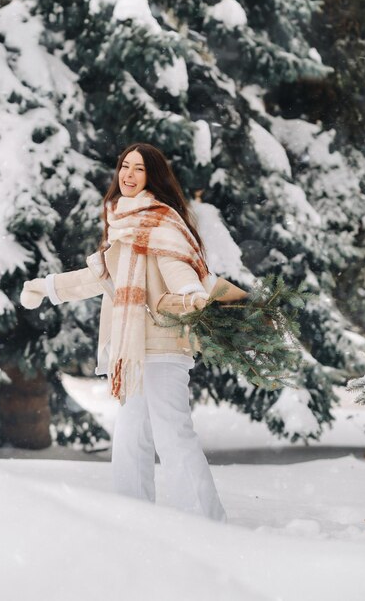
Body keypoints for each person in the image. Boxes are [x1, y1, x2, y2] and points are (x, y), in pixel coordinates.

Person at [20, 142, 230, 523]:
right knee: (131, 434)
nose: (128, 176)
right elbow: (98, 277)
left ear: (153, 177)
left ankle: (205, 521)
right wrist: (46, 287)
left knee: (173, 431)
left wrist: (191, 294)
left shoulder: (161, 221)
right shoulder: (124, 224)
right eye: (125, 167)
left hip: (164, 342)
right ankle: (132, 518)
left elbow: (179, 268)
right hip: (131, 349)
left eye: (138, 169)